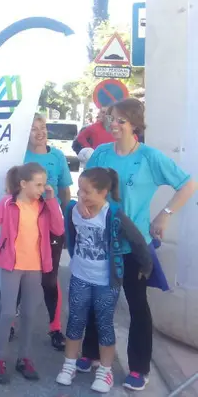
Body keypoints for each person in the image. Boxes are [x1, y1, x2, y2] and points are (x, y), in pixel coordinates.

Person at [79, 98, 197, 391]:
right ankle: (91, 352)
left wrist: (165, 214)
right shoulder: (102, 154)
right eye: (111, 119)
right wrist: (82, 208)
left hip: (134, 245)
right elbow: (87, 185)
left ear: (134, 124)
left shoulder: (149, 157)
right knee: (97, 299)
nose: (114, 125)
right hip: (101, 242)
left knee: (137, 306)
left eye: (120, 120)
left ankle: (139, 368)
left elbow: (188, 184)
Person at [0, 162, 64, 384]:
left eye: (43, 184)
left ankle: (24, 358)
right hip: (12, 265)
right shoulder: (7, 203)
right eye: (38, 185)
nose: (41, 189)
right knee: (8, 312)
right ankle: (0, 359)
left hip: (35, 267)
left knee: (28, 314)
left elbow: (58, 229)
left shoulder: (45, 206)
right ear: (23, 184)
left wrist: (52, 200)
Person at [56, 168, 153, 394]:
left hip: (105, 281)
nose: (81, 195)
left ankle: (105, 371)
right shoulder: (73, 209)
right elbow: (70, 234)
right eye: (79, 190)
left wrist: (146, 266)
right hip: (80, 275)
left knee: (104, 323)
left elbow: (137, 240)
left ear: (103, 193)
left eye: (86, 192)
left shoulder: (113, 214)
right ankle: (69, 365)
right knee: (75, 321)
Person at [24, 113, 73, 351]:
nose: (40, 132)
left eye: (42, 127)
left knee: (50, 280)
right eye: (33, 128)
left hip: (52, 228)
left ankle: (55, 328)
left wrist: (65, 224)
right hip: (24, 227)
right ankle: (10, 321)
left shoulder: (57, 156)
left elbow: (65, 191)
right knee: (19, 276)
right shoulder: (19, 156)